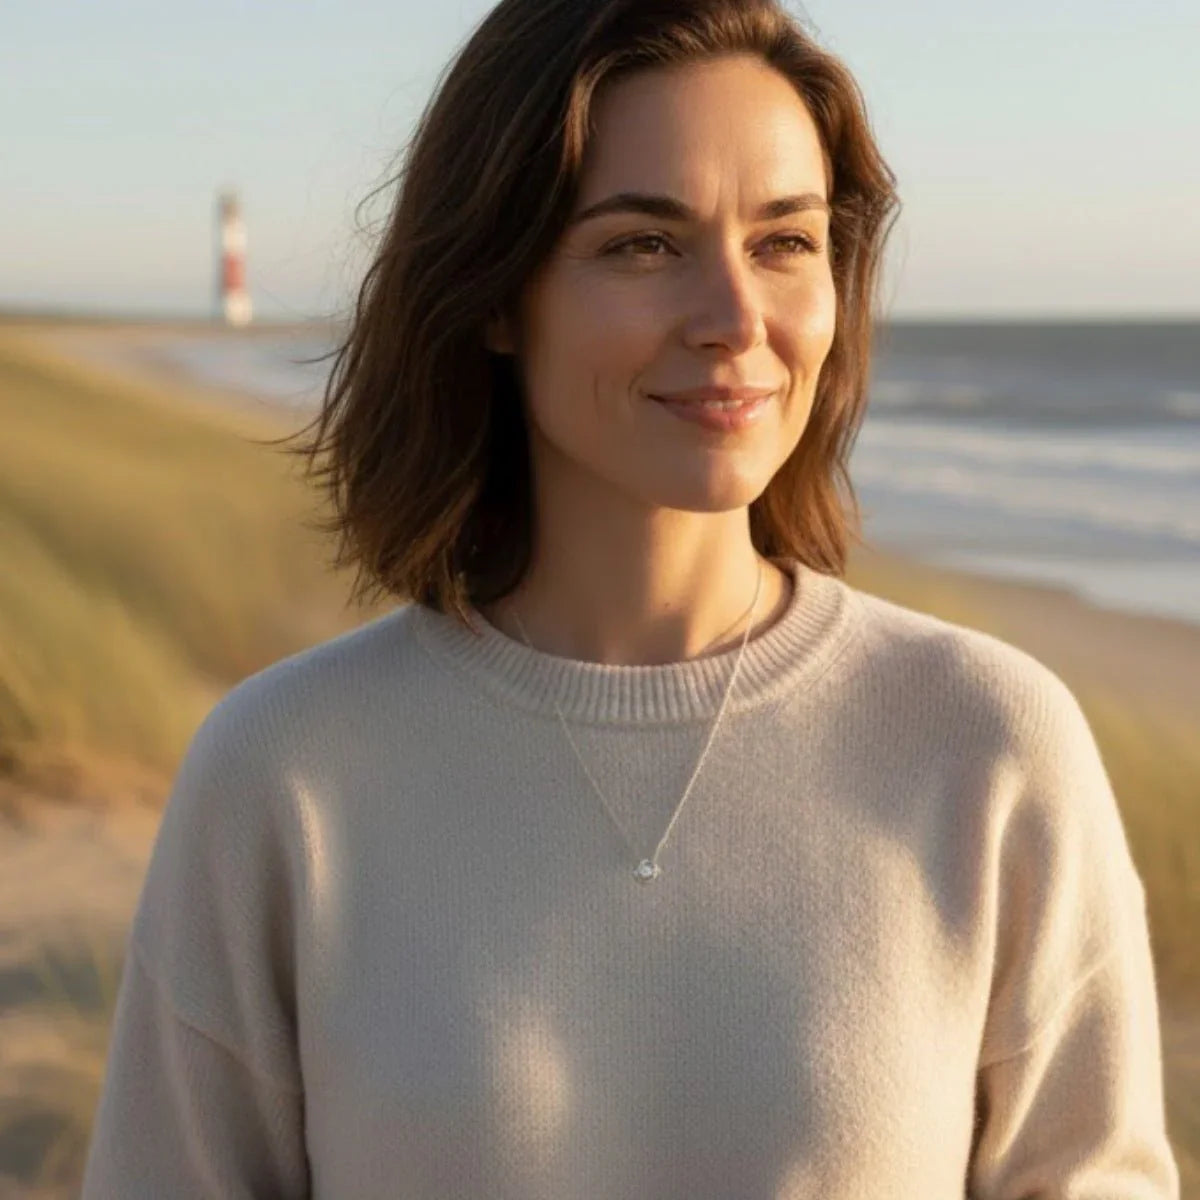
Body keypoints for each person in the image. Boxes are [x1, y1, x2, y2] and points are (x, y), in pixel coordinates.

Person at [80, 0, 1180, 1195]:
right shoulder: (282, 775)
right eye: (643, 245)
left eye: (785, 241)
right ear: (496, 296)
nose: (734, 320)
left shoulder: (989, 748)